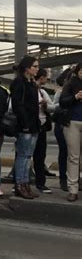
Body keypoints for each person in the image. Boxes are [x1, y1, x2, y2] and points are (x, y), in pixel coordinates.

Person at [10, 55, 40, 199]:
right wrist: (25, 123)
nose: (37, 69)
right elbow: (18, 105)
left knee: (28, 156)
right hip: (25, 126)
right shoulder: (19, 82)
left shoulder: (32, 83)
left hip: (34, 125)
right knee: (22, 156)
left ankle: (26, 184)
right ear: (27, 68)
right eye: (35, 66)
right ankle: (19, 185)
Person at [59, 62, 82, 202]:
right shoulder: (70, 83)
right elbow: (62, 102)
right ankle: (73, 189)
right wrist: (75, 97)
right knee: (73, 157)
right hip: (72, 122)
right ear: (77, 71)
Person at [32, 68, 55, 194]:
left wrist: (45, 106)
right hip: (29, 127)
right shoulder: (27, 89)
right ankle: (20, 183)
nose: (47, 80)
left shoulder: (42, 92)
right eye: (46, 77)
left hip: (41, 127)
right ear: (41, 77)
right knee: (24, 156)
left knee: (40, 157)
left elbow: (52, 107)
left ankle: (40, 183)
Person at [52, 68, 72, 192]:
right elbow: (54, 106)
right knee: (64, 151)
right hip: (61, 124)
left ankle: (73, 178)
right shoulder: (61, 92)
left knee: (74, 155)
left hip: (73, 124)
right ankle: (63, 178)